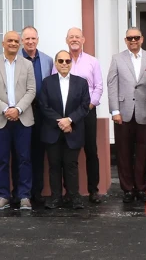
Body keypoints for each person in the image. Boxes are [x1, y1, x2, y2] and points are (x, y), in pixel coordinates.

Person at [0, 31, 38, 212]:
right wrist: (6, 109)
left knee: (24, 159)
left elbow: (31, 90)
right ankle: (3, 195)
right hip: (1, 118)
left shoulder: (27, 64)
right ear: (3, 43)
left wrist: (18, 109)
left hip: (23, 118)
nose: (13, 44)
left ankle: (24, 196)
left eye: (16, 41)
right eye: (10, 41)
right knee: (1, 159)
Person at [107, 26, 146, 204]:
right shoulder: (117, 59)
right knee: (124, 152)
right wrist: (114, 111)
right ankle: (127, 189)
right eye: (129, 38)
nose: (133, 41)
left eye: (136, 38)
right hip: (123, 112)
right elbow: (112, 85)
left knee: (144, 152)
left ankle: (141, 188)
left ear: (142, 39)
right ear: (125, 40)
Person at [55, 27, 104, 203]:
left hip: (87, 112)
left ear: (83, 40)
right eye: (71, 37)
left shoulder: (92, 61)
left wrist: (89, 105)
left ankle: (93, 190)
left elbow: (98, 86)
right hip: (66, 115)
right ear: (66, 40)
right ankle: (69, 191)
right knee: (66, 152)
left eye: (77, 37)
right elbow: (55, 85)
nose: (74, 39)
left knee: (91, 150)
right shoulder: (61, 60)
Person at [40, 50, 91, 209]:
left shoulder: (81, 82)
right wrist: (60, 122)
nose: (64, 64)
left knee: (71, 165)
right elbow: (43, 105)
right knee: (54, 166)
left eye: (67, 61)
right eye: (60, 61)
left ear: (71, 63)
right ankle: (56, 198)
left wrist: (69, 120)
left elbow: (84, 106)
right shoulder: (47, 82)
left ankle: (74, 197)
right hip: (52, 130)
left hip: (73, 130)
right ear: (55, 63)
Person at [21, 26, 52, 205]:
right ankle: (22, 191)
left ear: (37, 40)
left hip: (42, 113)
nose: (31, 42)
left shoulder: (47, 60)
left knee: (39, 154)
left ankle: (37, 191)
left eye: (33, 39)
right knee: (22, 153)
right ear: (22, 41)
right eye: (27, 39)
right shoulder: (17, 59)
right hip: (22, 111)